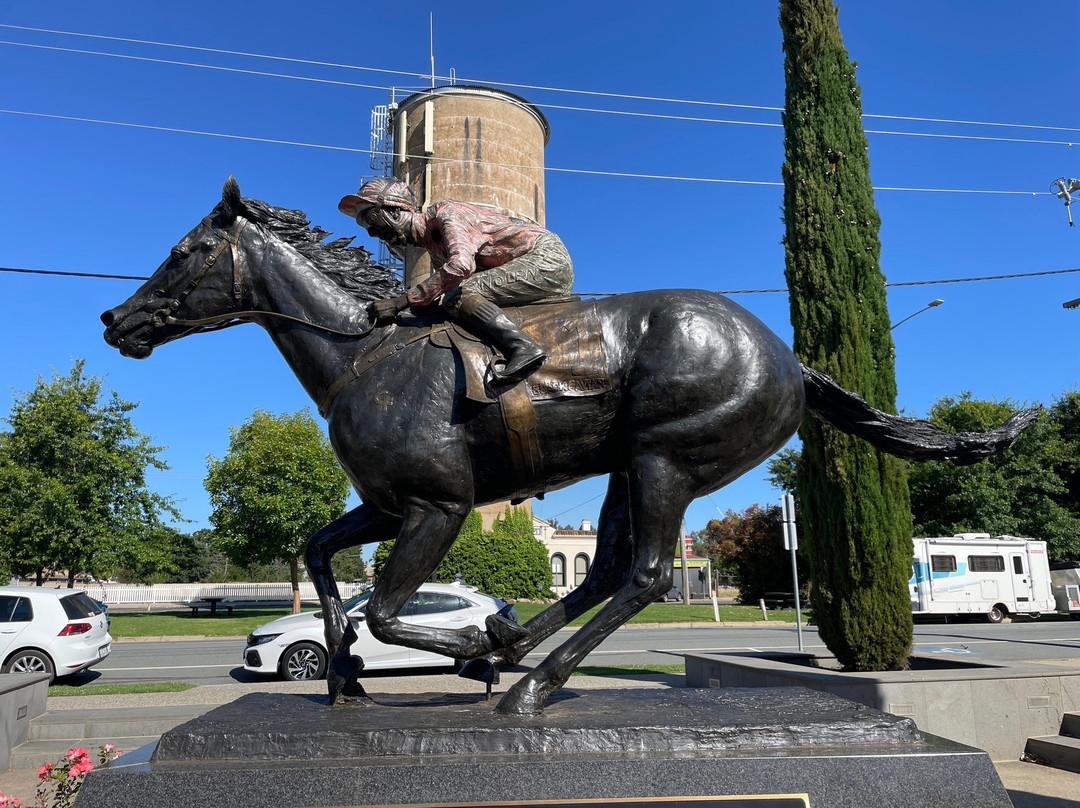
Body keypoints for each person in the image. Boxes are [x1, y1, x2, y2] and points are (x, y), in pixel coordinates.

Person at [338, 177, 574, 383]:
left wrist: (401, 301)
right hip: (524, 266)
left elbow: (460, 266)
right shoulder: (433, 247)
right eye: (364, 226)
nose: (371, 232)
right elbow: (440, 289)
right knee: (452, 299)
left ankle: (522, 347)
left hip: (545, 259)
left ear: (395, 211)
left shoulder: (447, 214)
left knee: (460, 294)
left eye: (371, 219)